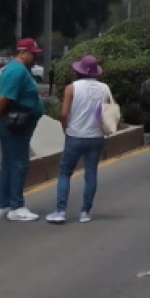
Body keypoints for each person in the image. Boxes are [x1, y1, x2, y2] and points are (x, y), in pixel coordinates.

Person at [47, 56, 114, 223]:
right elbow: (109, 111)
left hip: (75, 135)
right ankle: (85, 212)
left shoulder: (71, 88)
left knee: (65, 173)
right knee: (91, 174)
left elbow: (63, 114)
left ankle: (60, 211)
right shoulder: (105, 88)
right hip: (96, 136)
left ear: (79, 71)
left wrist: (65, 128)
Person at [0, 38, 45, 220]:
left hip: (13, 122)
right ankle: (16, 207)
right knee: (19, 164)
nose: (35, 58)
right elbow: (4, 97)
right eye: (32, 54)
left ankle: (4, 205)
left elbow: (0, 95)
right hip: (15, 123)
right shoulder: (17, 71)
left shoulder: (16, 69)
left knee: (9, 163)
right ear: (22, 52)